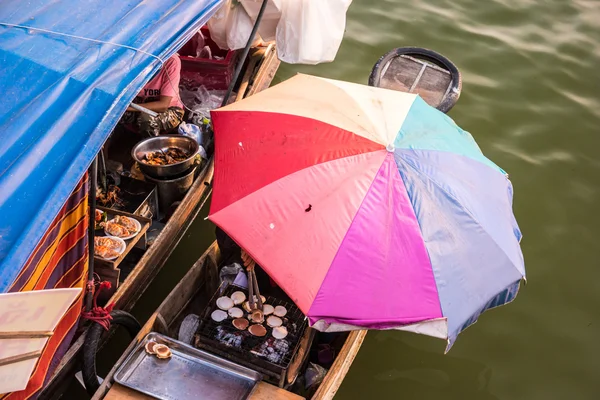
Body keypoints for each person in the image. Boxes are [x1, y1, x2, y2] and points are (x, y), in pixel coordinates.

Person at [119, 54, 185, 137]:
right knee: (109, 115)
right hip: (137, 105)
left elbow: (163, 105)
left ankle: (152, 147)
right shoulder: (129, 60)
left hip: (169, 110)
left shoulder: (171, 61)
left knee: (147, 120)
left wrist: (127, 108)